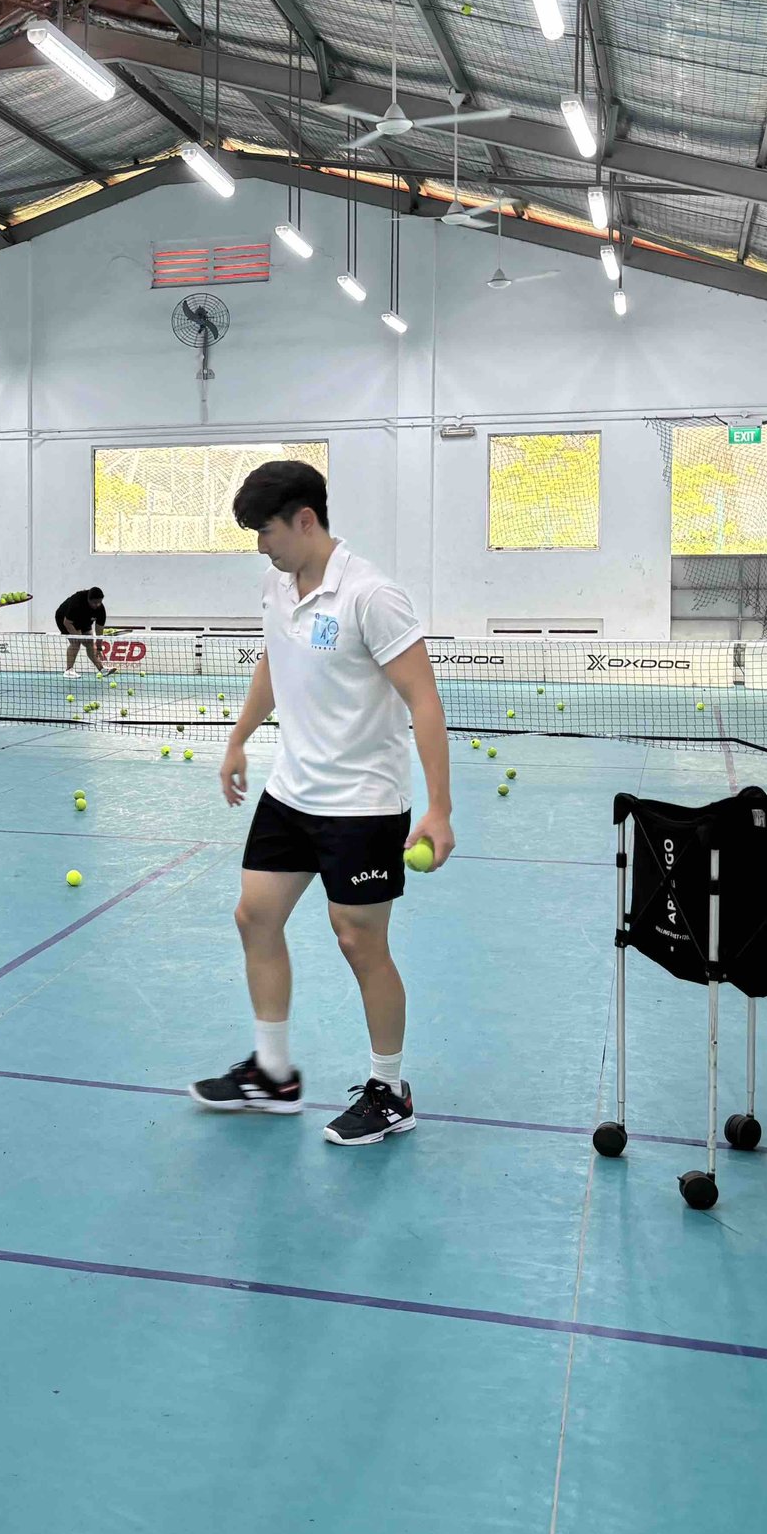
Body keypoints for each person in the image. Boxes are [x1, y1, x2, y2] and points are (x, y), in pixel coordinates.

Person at [190, 460, 454, 1148]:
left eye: (267, 530)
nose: (260, 545)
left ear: (305, 519)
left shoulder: (372, 595)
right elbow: (274, 663)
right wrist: (240, 738)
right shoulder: (280, 587)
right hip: (291, 792)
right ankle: (273, 1073)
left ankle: (391, 1091)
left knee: (358, 939)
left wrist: (439, 808)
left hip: (362, 802)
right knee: (254, 915)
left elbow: (423, 699)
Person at [54, 586, 110, 673]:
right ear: (89, 600)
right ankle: (69, 671)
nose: (97, 605)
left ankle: (101, 669)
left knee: (90, 643)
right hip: (64, 618)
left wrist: (99, 648)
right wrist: (79, 637)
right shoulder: (77, 602)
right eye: (95, 603)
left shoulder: (101, 610)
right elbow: (67, 622)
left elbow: (99, 631)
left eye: (99, 602)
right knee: (76, 642)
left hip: (83, 619)